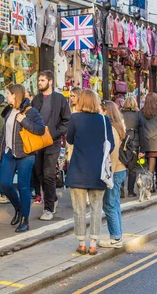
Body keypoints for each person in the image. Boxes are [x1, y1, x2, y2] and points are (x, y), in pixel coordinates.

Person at [66, 89, 114, 256]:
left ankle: (81, 243)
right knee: (96, 207)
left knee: (78, 209)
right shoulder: (104, 120)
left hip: (78, 170)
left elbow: (69, 139)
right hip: (98, 171)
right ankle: (93, 243)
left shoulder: (75, 118)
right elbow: (111, 145)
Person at [0, 84, 45, 233]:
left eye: (8, 94)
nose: (6, 96)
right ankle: (18, 208)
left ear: (15, 95)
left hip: (25, 155)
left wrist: (24, 121)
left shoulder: (30, 112)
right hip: (9, 153)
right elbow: (4, 136)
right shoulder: (8, 111)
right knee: (4, 183)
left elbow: (41, 129)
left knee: (23, 187)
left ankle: (25, 220)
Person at [31, 70, 70, 221]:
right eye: (39, 80)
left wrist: (54, 134)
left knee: (48, 174)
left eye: (42, 80)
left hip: (52, 142)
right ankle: (52, 198)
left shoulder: (59, 99)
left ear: (50, 81)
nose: (39, 83)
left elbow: (67, 121)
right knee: (39, 173)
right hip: (37, 142)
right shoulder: (36, 99)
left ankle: (48, 209)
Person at [99, 101, 125, 249]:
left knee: (109, 205)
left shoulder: (112, 130)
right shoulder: (117, 127)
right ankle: (118, 235)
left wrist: (109, 175)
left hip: (115, 171)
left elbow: (113, 155)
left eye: (101, 111)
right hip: (120, 170)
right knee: (114, 204)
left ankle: (115, 237)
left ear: (106, 112)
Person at [121, 97, 142, 197]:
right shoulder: (138, 115)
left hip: (122, 143)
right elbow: (142, 130)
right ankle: (130, 191)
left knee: (121, 167)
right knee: (132, 169)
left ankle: (120, 190)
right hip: (134, 143)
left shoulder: (120, 114)